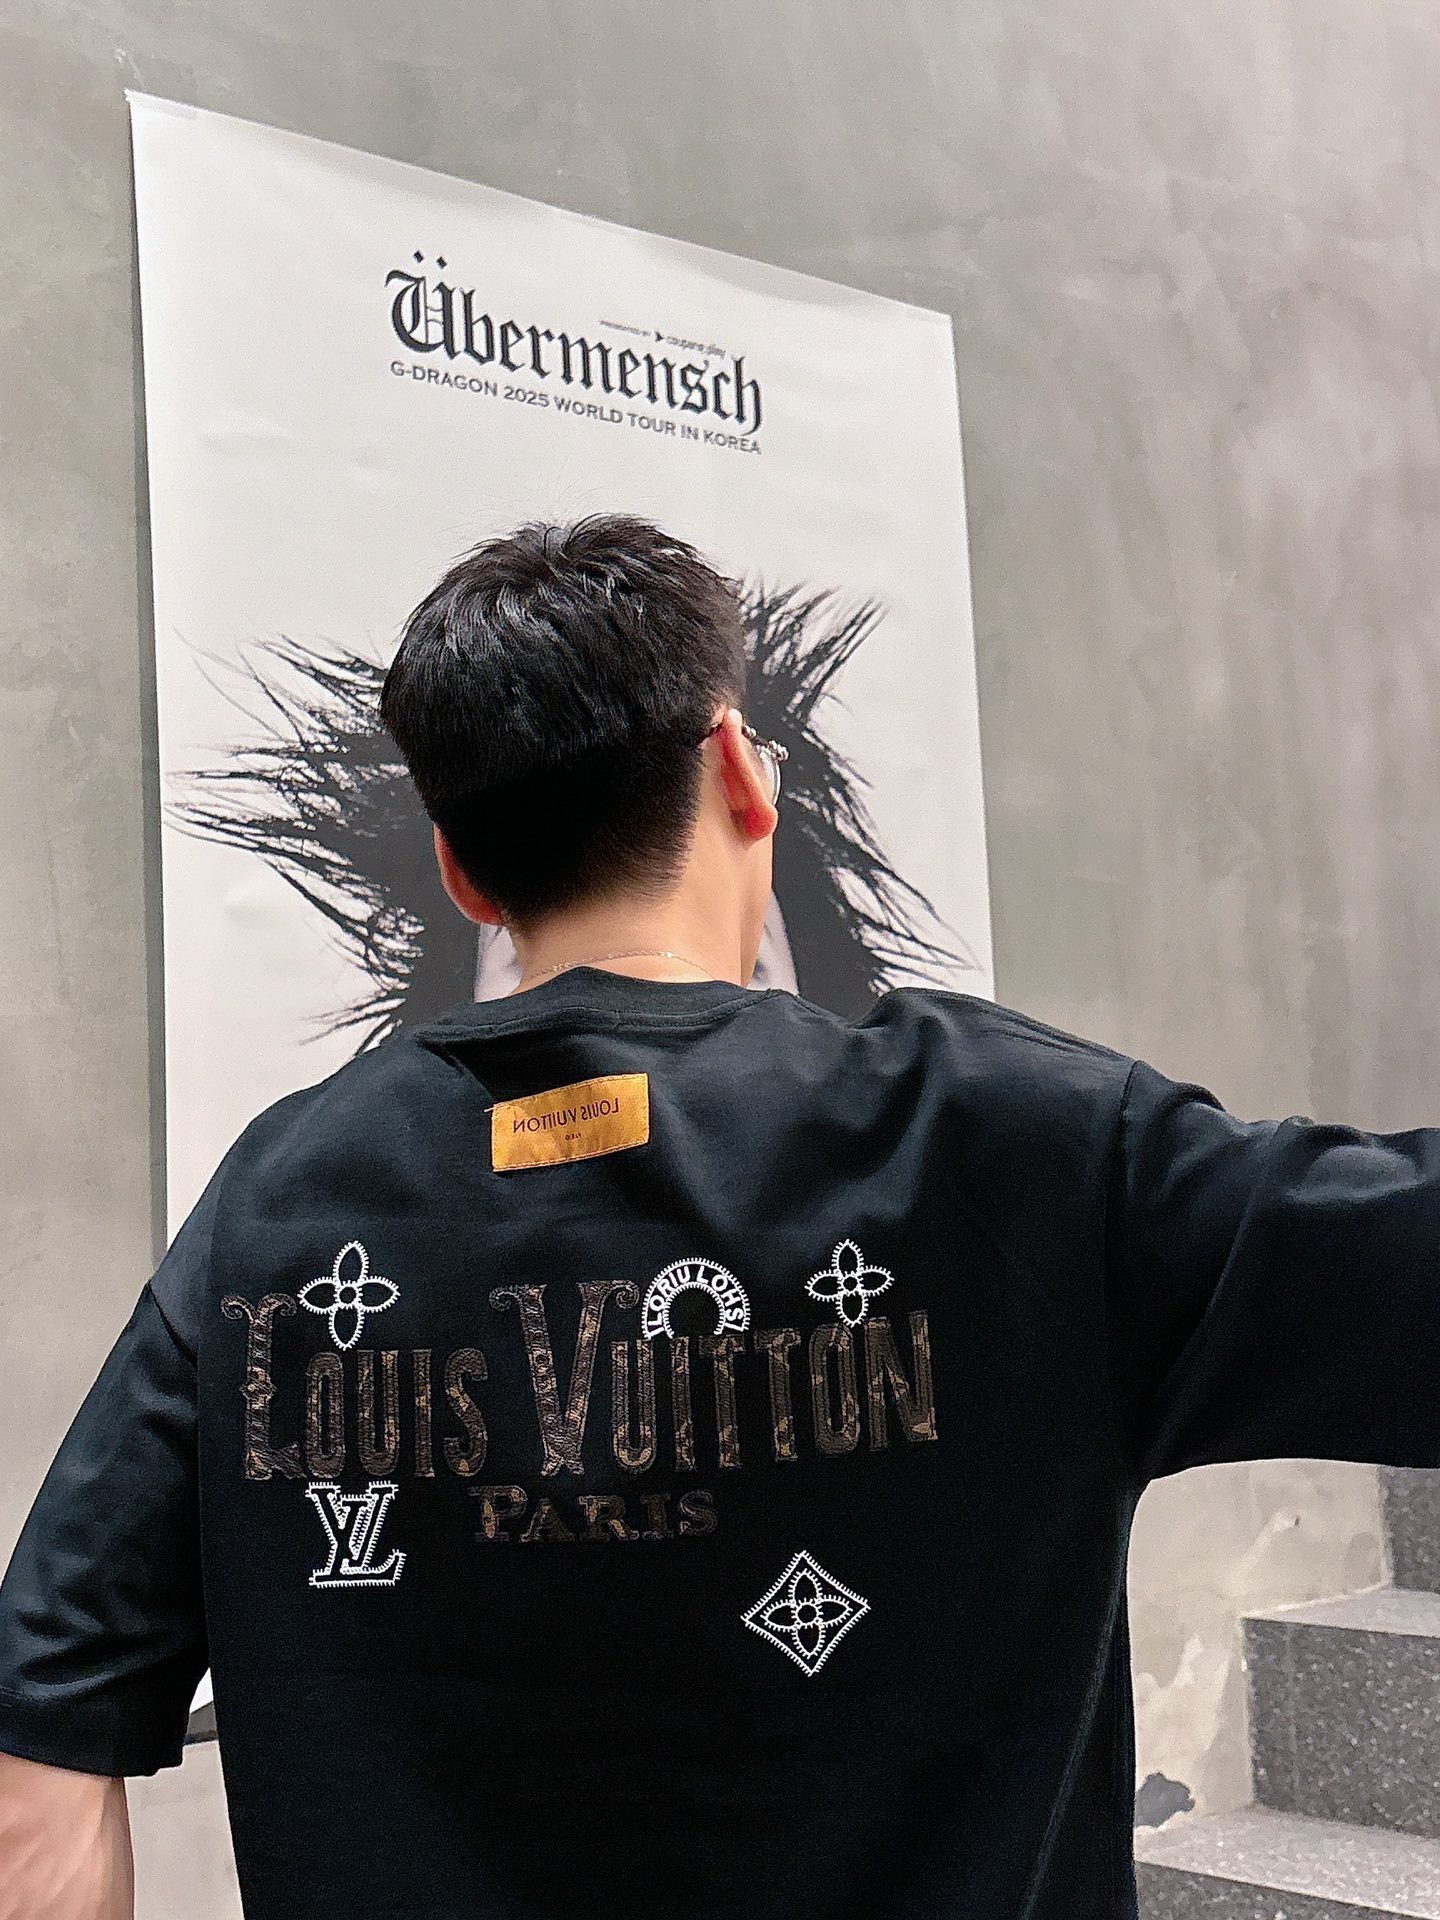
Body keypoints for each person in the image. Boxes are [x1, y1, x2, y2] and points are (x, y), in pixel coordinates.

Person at [1, 514, 1437, 1920]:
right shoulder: (1019, 1142)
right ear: (745, 774)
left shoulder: (274, 1203)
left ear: (462, 871)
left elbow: (39, 1767)